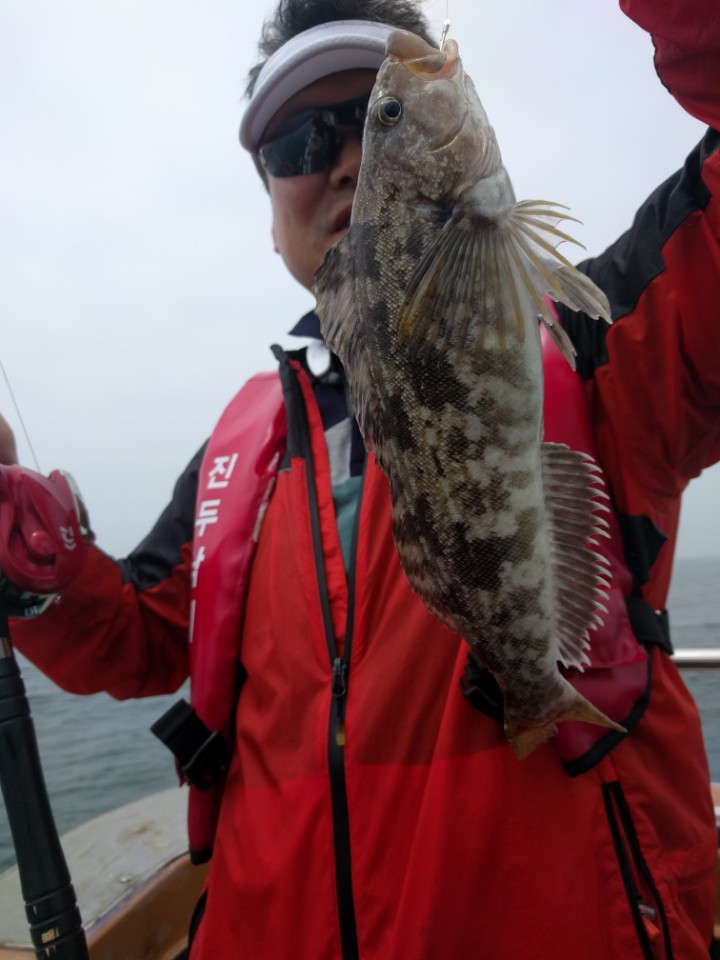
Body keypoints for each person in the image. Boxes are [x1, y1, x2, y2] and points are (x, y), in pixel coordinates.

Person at [4, 0, 720, 956]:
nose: (346, 161)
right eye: (301, 141)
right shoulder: (240, 454)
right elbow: (136, 642)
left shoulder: (591, 340)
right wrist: (31, 554)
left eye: (367, 121)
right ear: (269, 213)